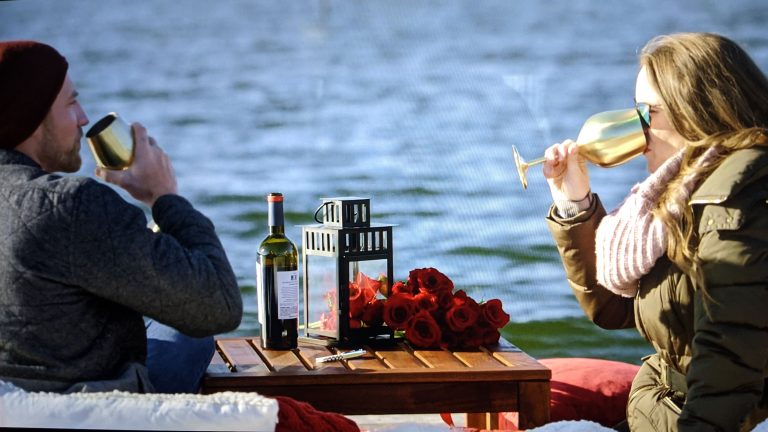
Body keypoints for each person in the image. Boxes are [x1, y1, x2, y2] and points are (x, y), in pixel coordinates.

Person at [542, 32, 768, 431]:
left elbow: (732, 351)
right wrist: (574, 203)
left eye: (647, 113)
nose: (636, 129)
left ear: (696, 108)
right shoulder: (679, 190)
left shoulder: (738, 192)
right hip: (660, 409)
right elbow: (616, 308)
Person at [0, 41, 243, 394]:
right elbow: (217, 304)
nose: (84, 117)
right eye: (71, 102)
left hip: (14, 404)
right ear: (33, 116)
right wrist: (164, 197)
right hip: (93, 411)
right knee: (191, 332)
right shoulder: (72, 205)